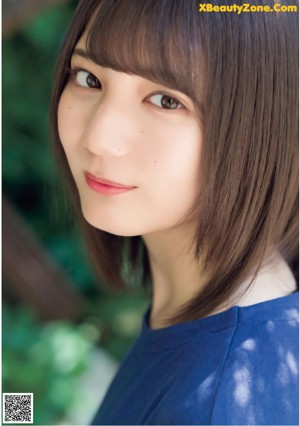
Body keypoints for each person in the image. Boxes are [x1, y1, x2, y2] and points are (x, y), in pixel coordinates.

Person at [50, 0, 299, 424]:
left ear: (260, 127)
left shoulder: (216, 404)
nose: (99, 137)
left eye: (166, 101)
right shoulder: (209, 318)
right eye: (89, 78)